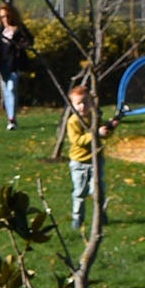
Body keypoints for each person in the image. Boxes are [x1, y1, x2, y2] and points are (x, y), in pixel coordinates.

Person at [62, 80, 114, 230]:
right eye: (78, 103)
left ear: (91, 103)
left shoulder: (94, 117)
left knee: (98, 191)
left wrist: (110, 128)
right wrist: (96, 133)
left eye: (85, 102)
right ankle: (77, 219)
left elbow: (104, 135)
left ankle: (101, 217)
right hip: (79, 163)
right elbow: (78, 141)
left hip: (96, 161)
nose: (82, 106)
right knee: (80, 192)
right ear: (72, 105)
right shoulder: (73, 122)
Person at [0, 3, 31, 129]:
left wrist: (22, 44)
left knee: (11, 88)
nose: (5, 19)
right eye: (2, 17)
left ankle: (12, 119)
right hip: (2, 65)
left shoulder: (19, 29)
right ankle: (11, 119)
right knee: (7, 92)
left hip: (15, 64)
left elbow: (29, 41)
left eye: (7, 16)